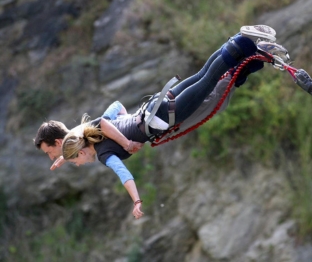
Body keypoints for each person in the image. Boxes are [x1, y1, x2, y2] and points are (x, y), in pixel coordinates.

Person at [61, 25, 277, 219]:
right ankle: (244, 44)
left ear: (80, 152)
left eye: (75, 162)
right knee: (204, 74)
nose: (79, 164)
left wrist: (136, 199)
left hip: (162, 117)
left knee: (210, 80)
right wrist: (126, 132)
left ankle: (243, 41)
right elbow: (117, 106)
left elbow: (124, 175)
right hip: (155, 104)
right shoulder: (98, 126)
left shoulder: (104, 154)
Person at [34, 102, 145, 169]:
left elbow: (116, 106)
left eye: (49, 152)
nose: (51, 157)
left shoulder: (95, 127)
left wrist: (127, 143)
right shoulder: (84, 138)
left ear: (58, 142)